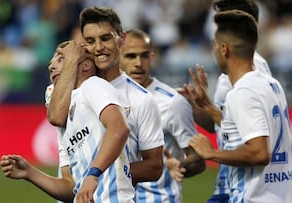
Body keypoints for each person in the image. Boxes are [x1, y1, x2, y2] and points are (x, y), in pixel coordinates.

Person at [1, 41, 135, 203]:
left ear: (85, 65)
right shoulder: (64, 122)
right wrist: (29, 173)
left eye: (60, 59)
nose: (51, 67)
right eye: (51, 63)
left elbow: (119, 128)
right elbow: (71, 187)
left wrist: (93, 175)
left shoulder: (93, 86)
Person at [47, 6, 164, 188]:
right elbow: (56, 117)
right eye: (90, 41)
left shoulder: (141, 99)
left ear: (122, 38)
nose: (99, 48)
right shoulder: (66, 88)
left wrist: (99, 175)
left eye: (105, 38)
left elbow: (154, 167)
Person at [188, 10, 292, 203]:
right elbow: (249, 129)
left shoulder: (241, 93)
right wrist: (208, 108)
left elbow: (259, 153)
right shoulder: (271, 85)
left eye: (215, 45)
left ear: (224, 49)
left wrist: (211, 153)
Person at [120, 28, 205, 202]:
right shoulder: (109, 97)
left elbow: (198, 158)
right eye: (130, 56)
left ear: (152, 57)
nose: (138, 63)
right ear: (118, 57)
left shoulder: (173, 103)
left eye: (144, 56)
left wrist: (180, 166)